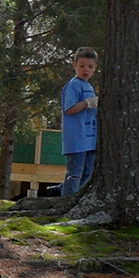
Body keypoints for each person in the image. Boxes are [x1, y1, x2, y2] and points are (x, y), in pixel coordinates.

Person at [60, 47, 99, 196]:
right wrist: (87, 103)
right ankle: (67, 199)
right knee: (75, 173)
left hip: (90, 138)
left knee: (88, 172)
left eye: (90, 67)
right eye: (82, 65)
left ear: (95, 69)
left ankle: (78, 199)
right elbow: (69, 109)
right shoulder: (74, 85)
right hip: (77, 139)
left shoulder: (88, 86)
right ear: (75, 65)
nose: (86, 70)